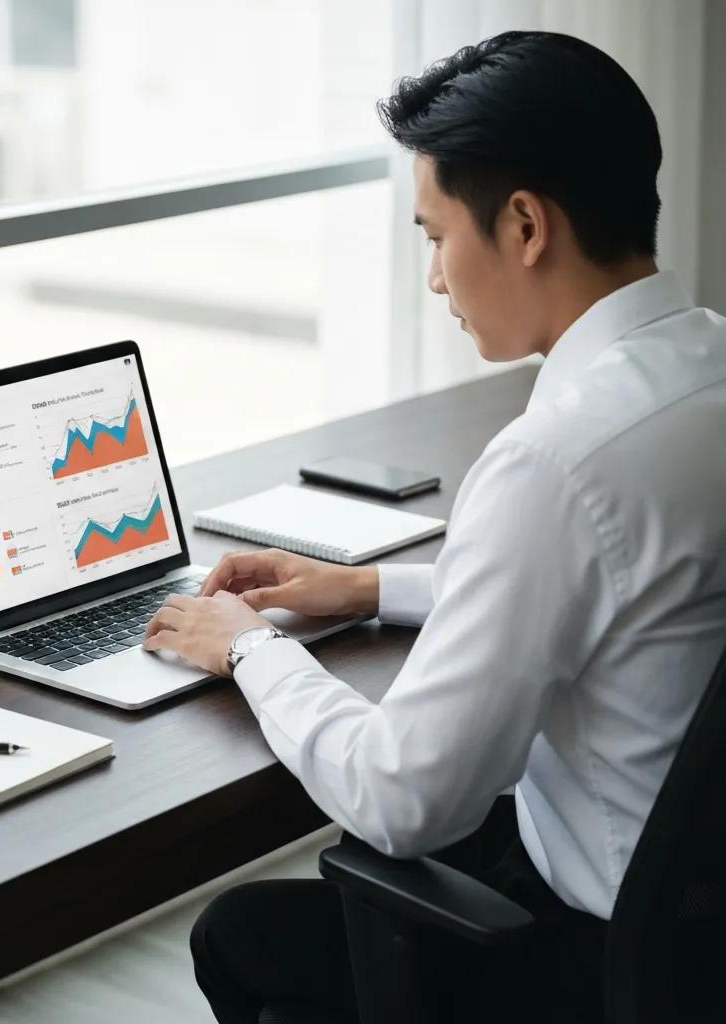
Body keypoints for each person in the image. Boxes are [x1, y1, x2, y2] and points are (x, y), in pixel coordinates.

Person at [143, 30, 726, 1023]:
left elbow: (401, 800)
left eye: (433, 235)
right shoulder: (705, 365)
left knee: (239, 932)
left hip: (601, 956)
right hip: (697, 923)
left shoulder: (553, 459)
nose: (434, 279)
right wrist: (372, 588)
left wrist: (249, 651)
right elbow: (618, 588)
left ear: (526, 225)